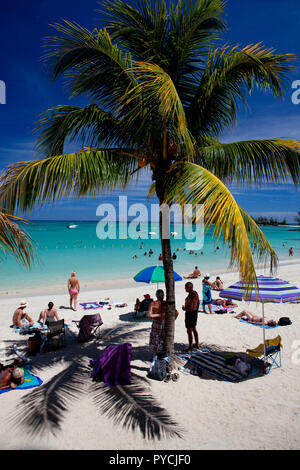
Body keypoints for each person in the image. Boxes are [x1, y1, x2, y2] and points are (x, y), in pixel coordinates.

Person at [147, 289, 178, 355]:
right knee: (164, 339)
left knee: (155, 342)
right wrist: (172, 322)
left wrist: (157, 315)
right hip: (164, 323)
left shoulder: (153, 303)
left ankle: (155, 356)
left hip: (156, 323)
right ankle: (163, 355)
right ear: (163, 296)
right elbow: (176, 313)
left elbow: (149, 315)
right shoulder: (166, 303)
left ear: (156, 296)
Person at [182, 282, 200, 353]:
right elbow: (198, 303)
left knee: (189, 330)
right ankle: (196, 344)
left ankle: (190, 347)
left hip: (191, 313)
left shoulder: (192, 295)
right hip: (194, 313)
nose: (185, 288)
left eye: (186, 287)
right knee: (194, 329)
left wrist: (185, 308)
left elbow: (191, 307)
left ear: (190, 287)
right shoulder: (194, 293)